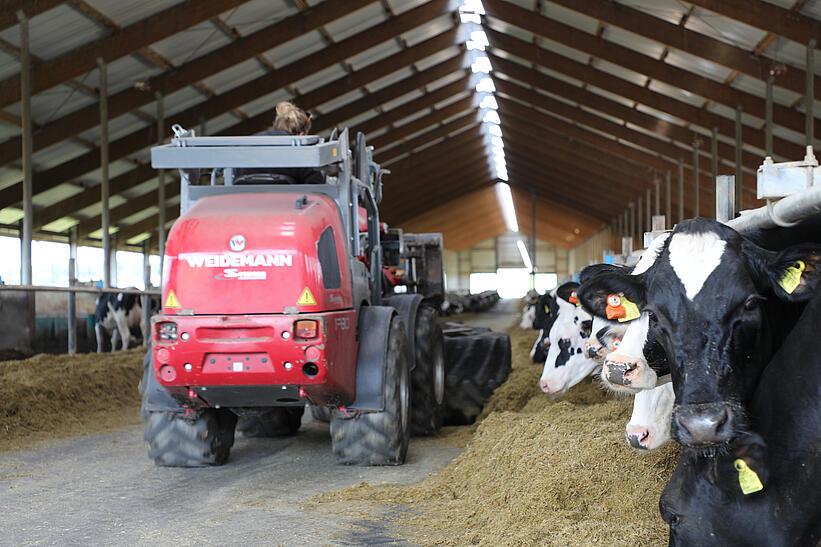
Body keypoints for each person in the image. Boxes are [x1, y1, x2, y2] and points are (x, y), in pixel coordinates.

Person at [234, 101, 325, 184]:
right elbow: (316, 186)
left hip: (246, 196)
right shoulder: (300, 151)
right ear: (301, 134)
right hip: (287, 197)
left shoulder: (248, 145)